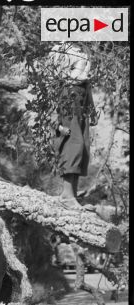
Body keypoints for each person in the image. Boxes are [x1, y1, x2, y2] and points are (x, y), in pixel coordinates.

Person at [49, 43, 99, 211]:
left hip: (82, 96)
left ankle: (71, 196)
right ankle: (67, 195)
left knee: (82, 147)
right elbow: (54, 77)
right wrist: (54, 118)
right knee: (72, 145)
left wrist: (91, 107)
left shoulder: (84, 49)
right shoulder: (61, 47)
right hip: (69, 95)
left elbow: (87, 81)